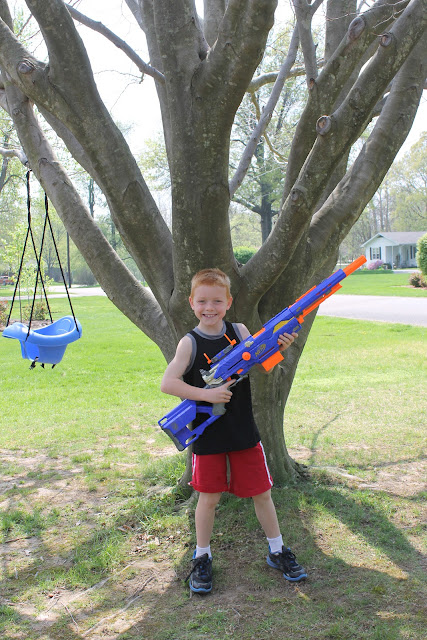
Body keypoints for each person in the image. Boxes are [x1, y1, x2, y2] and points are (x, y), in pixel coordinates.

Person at [161, 267, 307, 593]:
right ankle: (202, 556)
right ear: (191, 303)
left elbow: (264, 365)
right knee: (208, 497)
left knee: (262, 492)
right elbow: (168, 383)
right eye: (202, 301)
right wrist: (207, 395)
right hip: (208, 432)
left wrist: (280, 347)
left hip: (242, 427)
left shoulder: (239, 331)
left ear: (228, 302)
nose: (209, 308)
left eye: (217, 301)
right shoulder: (189, 343)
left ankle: (277, 550)